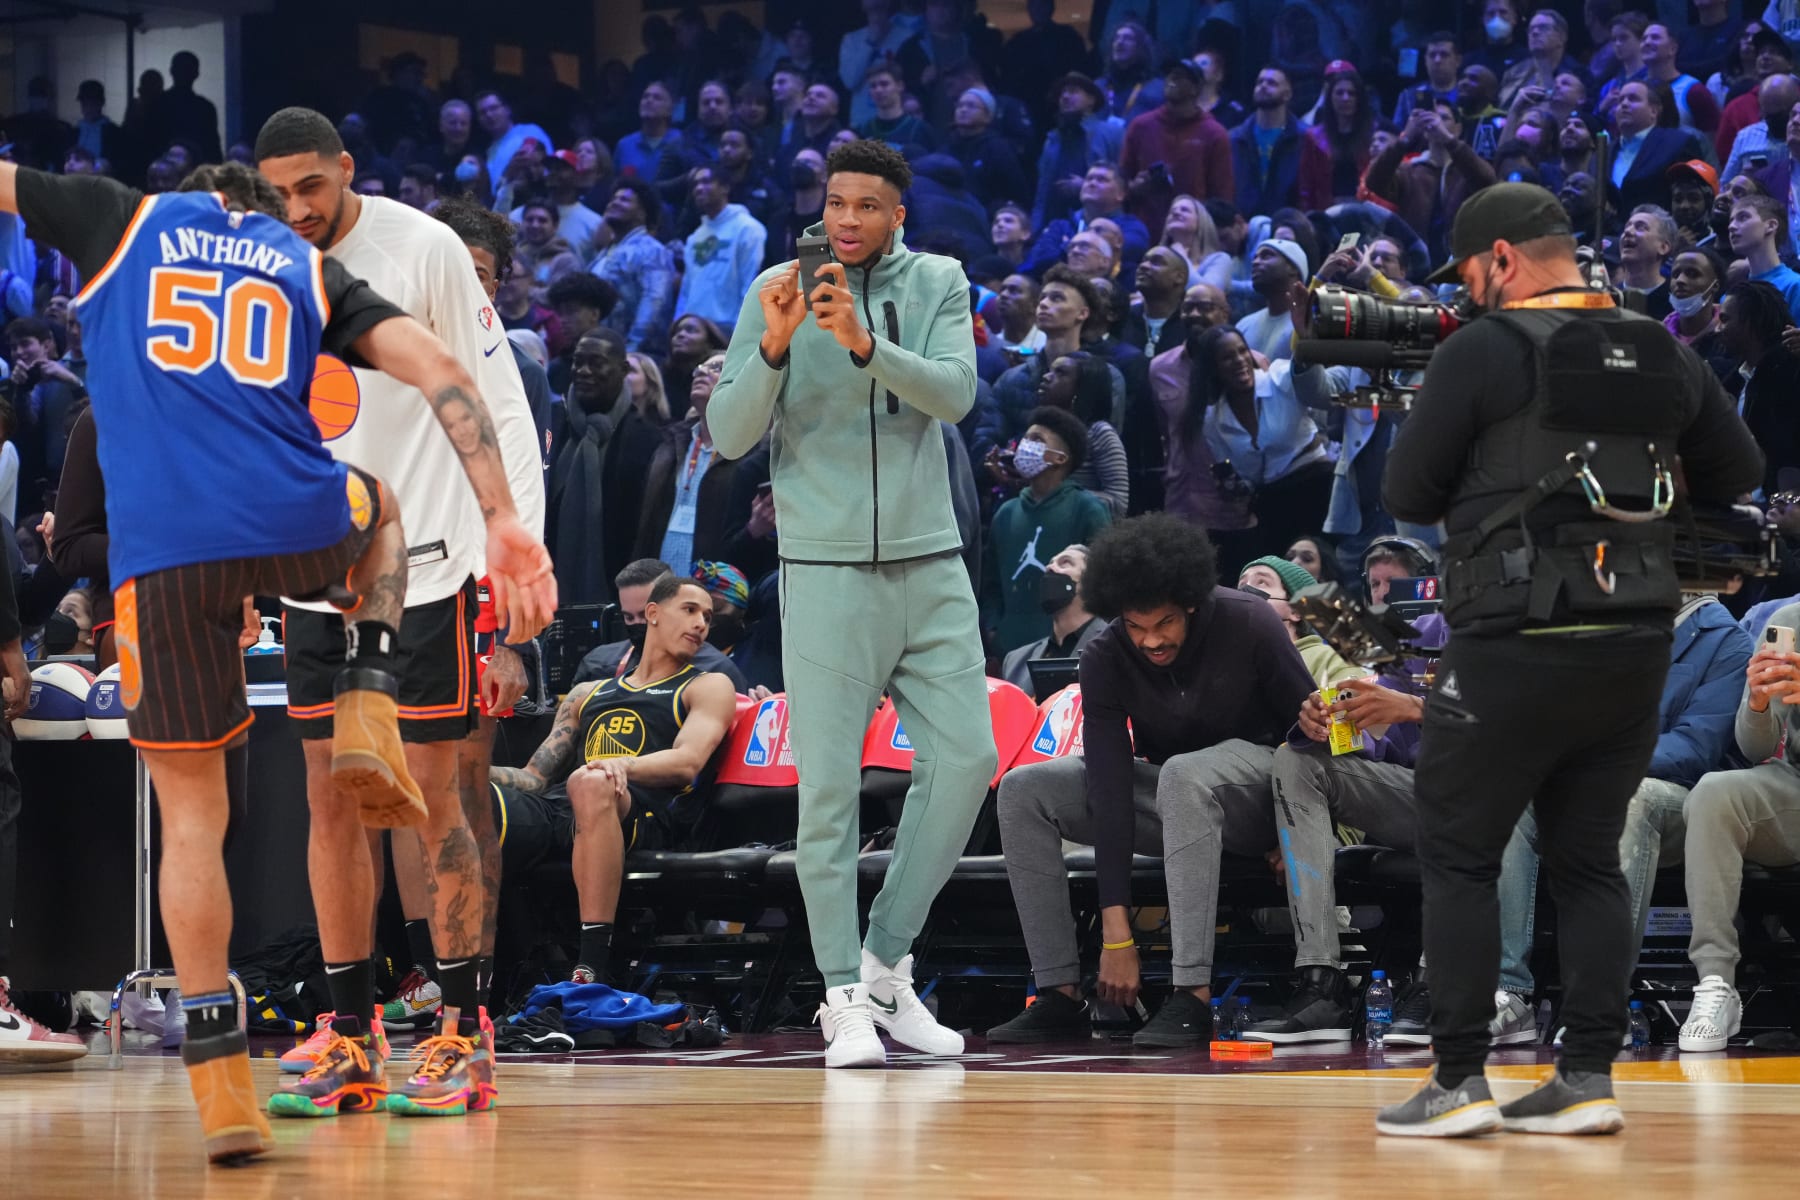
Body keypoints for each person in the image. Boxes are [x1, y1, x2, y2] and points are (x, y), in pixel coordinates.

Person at [1, 157, 554, 1158]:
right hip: (293, 525)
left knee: (193, 822)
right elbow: (441, 371)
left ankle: (219, 1077)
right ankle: (369, 692)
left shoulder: (121, 219)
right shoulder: (298, 262)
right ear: (259, 211)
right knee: (381, 510)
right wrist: (508, 519)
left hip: (163, 553)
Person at [1374, 183, 1763, 1137]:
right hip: (1636, 639)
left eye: (1471, 276)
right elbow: (1740, 473)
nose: (1469, 295)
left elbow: (1409, 492)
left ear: (1501, 259)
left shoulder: (1483, 349)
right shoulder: (1663, 348)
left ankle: (1459, 1081)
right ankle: (1586, 1075)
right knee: (1589, 856)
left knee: (1460, 851)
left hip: (1511, 637)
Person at [256, 109, 548, 1123]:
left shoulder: (422, 248)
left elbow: (492, 397)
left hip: (429, 566)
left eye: (311, 188)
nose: (297, 209)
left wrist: (519, 539)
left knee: (429, 802)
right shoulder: (262, 266)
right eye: (278, 192)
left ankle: (462, 1032)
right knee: (329, 799)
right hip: (312, 571)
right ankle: (352, 1034)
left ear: (346, 170)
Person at [708, 139, 996, 1068]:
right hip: (825, 570)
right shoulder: (779, 287)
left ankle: (884, 962)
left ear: (897, 215)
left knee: (967, 760)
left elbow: (954, 395)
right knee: (826, 795)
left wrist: (867, 345)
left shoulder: (941, 281)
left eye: (866, 206)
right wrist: (775, 345)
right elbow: (728, 432)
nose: (845, 220)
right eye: (835, 202)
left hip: (930, 565)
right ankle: (840, 997)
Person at [987, 514, 1316, 1047]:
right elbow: (1110, 788)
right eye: (1136, 627)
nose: (1151, 641)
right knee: (1026, 788)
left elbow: (1309, 735)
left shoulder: (1249, 620)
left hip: (1258, 798)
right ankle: (1059, 992)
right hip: (1174, 797)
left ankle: (1192, 995)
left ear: (1190, 602)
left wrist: (1293, 827)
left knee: (1184, 773)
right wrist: (1116, 934)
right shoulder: (1104, 654)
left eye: (1163, 624)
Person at [1495, 590, 1754, 1042]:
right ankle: (1507, 993)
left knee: (1626, 800)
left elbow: (1696, 749)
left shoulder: (1727, 640)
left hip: (1687, 803)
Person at [490, 574, 736, 981]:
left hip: (643, 814)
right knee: (461, 799)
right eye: (690, 610)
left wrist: (621, 764)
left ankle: (591, 966)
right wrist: (467, 777)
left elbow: (687, 761)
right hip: (564, 808)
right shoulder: (589, 691)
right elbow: (534, 777)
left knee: (591, 782)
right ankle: (447, 972)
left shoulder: (708, 685)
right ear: (653, 614)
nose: (701, 625)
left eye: (707, 617)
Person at [983, 407, 1112, 653]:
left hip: (1069, 646)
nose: (1025, 446)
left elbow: (1105, 582)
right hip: (1010, 648)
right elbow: (991, 585)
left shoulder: (1087, 508)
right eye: (1026, 438)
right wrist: (993, 630)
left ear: (1060, 458)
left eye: (1037, 440)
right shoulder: (1006, 513)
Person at [572, 558, 750, 692]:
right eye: (629, 617)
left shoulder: (717, 671)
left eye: (646, 614)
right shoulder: (599, 663)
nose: (638, 624)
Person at [998, 542, 1102, 692]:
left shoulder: (1114, 648)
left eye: (1065, 562)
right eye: (1051, 563)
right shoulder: (1016, 661)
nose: (1049, 568)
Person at [674, 167, 767, 332]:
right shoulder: (695, 236)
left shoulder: (747, 229)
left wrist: (743, 330)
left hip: (729, 328)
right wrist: (677, 323)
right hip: (693, 328)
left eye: (706, 182)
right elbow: (686, 290)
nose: (698, 188)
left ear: (725, 188)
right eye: (695, 184)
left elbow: (750, 282)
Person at [589, 180, 676, 356]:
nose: (615, 202)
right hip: (600, 349)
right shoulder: (605, 252)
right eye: (613, 199)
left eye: (624, 200)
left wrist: (633, 348)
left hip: (634, 355)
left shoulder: (652, 250)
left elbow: (655, 301)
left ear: (642, 213)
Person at [1229, 67, 1330, 219]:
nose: (1263, 86)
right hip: (1243, 225)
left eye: (1272, 83)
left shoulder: (1307, 138)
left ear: (1287, 94)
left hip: (1291, 224)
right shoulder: (1235, 138)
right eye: (1259, 82)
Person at [1728, 192, 1800, 322]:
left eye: (1743, 217)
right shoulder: (1731, 293)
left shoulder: (1794, 286)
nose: (1731, 226)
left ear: (1771, 226)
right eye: (1731, 220)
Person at [1617, 204, 1676, 317]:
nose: (1628, 232)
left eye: (1641, 227)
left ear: (1663, 247)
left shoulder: (1675, 300)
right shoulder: (1610, 296)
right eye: (1627, 227)